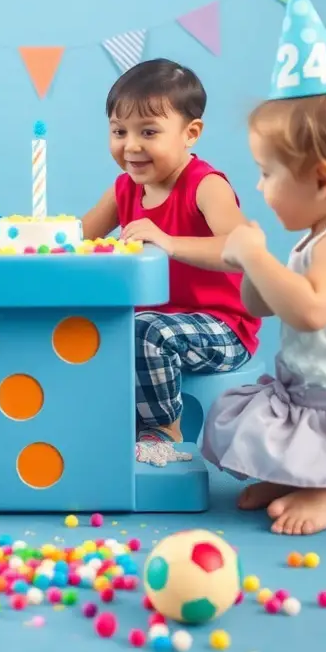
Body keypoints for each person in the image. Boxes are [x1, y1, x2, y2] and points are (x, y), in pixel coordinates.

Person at [203, 0, 326, 535]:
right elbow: (266, 306)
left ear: (321, 179)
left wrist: (257, 253)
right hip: (302, 384)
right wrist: (251, 264)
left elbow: (308, 311)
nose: (258, 187)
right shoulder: (308, 238)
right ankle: (300, 474)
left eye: (268, 174)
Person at [83, 58, 260, 446]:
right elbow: (79, 240)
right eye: (119, 131)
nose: (131, 146)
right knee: (95, 326)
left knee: (146, 330)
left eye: (148, 132)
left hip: (223, 326)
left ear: (190, 133)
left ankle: (162, 430)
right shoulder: (123, 188)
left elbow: (239, 247)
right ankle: (109, 430)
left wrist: (169, 241)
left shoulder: (204, 185)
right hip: (152, 324)